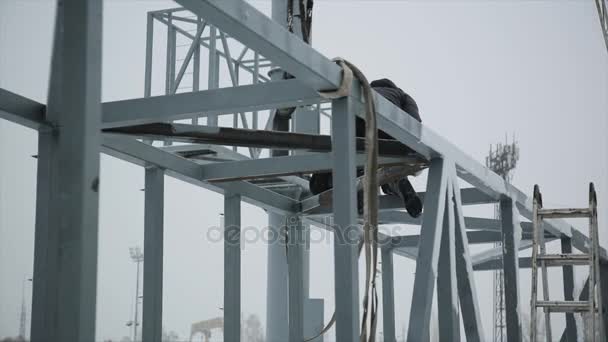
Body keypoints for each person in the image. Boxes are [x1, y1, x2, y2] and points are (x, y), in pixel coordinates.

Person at [309, 78, 423, 218]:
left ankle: (354, 184)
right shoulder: (403, 96)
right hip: (388, 139)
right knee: (387, 171)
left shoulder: (364, 92)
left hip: (358, 133)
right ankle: (397, 183)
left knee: (318, 184)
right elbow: (415, 124)